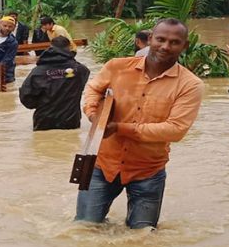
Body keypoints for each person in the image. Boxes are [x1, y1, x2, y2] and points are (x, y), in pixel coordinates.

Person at [75, 18, 204, 229]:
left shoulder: (190, 85)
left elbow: (176, 129)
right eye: (160, 39)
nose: (165, 46)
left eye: (174, 42)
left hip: (148, 171)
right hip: (102, 163)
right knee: (84, 228)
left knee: (142, 236)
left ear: (185, 45)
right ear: (150, 39)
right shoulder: (116, 67)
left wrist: (119, 128)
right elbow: (93, 89)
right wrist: (93, 114)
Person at [19, 36, 90, 131]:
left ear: (50, 48)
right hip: (70, 121)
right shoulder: (80, 70)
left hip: (44, 120)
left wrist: (40, 104)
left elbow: (26, 97)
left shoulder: (38, 72)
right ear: (69, 48)